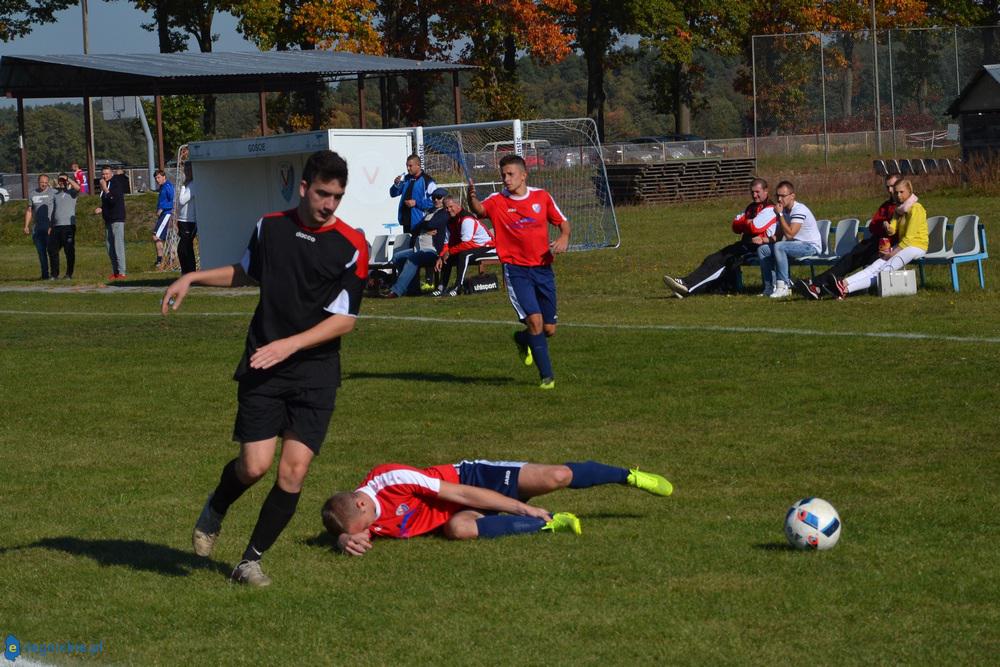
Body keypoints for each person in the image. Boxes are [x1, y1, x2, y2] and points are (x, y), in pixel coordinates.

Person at [161, 150, 368, 587]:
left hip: (314, 371)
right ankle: (216, 507)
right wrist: (191, 278)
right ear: (304, 188)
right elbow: (246, 273)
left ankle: (249, 561)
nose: (329, 204)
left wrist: (290, 345)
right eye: (323, 194)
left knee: (293, 471)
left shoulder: (352, 245)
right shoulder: (270, 227)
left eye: (337, 197)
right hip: (263, 364)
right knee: (254, 467)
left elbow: (345, 319)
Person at [323, 459, 673, 556]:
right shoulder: (357, 516)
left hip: (474, 481)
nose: (369, 535)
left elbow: (464, 495)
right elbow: (345, 531)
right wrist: (342, 542)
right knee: (457, 529)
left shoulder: (390, 479)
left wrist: (522, 507)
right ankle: (552, 523)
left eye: (362, 529)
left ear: (360, 502)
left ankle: (627, 476)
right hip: (462, 512)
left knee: (557, 476)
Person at [467, 155, 571, 390]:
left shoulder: (541, 197)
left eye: (511, 174)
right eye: (503, 175)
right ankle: (547, 377)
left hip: (543, 269)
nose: (506, 179)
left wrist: (564, 237)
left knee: (548, 329)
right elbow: (479, 209)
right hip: (516, 271)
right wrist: (470, 197)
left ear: (524, 175)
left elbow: (562, 222)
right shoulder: (497, 200)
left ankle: (523, 339)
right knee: (535, 321)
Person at [662, 178, 778, 298]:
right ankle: (685, 284)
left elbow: (755, 227)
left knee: (723, 263)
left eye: (757, 192)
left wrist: (747, 223)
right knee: (712, 259)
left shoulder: (770, 209)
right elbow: (735, 226)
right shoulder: (751, 208)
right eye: (752, 192)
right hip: (745, 245)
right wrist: (747, 222)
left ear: (766, 191)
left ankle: (688, 287)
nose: (754, 195)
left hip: (758, 248)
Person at [793, 174, 899, 300]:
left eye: (893, 186)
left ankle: (818, 285)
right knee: (848, 260)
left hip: (892, 247)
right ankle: (817, 285)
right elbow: (873, 225)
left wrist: (886, 228)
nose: (891, 190)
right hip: (876, 242)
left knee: (871, 262)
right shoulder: (886, 206)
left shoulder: (905, 207)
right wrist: (883, 225)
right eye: (888, 187)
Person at [834, 178, 928, 299]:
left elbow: (909, 238)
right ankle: (843, 283)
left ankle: (847, 289)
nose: (898, 195)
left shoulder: (916, 209)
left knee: (885, 270)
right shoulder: (899, 210)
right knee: (874, 266)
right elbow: (893, 230)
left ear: (910, 191)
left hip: (917, 246)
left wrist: (892, 253)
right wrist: (888, 228)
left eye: (901, 192)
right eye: (896, 192)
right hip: (904, 245)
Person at [757, 180, 822, 299]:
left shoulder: (799, 210)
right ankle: (769, 286)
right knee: (763, 250)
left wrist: (780, 215)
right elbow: (778, 236)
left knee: (780, 246)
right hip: (794, 246)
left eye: (783, 196)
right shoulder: (783, 211)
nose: (780, 199)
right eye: (778, 196)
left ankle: (784, 286)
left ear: (792, 196)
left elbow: (790, 234)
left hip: (810, 246)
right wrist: (763, 240)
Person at [386, 187, 449, 299]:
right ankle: (412, 289)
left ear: (445, 199)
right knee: (398, 257)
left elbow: (429, 224)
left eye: (439, 197)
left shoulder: (445, 212)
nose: (436, 200)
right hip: (419, 248)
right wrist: (426, 226)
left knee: (413, 258)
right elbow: (415, 228)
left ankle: (396, 291)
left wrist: (425, 225)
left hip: (433, 250)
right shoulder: (430, 211)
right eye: (434, 198)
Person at [433, 195, 496, 297]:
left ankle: (458, 286)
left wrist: (450, 252)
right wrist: (441, 256)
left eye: (451, 206)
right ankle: (441, 287)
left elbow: (466, 244)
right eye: (446, 208)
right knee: (447, 257)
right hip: (472, 247)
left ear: (458, 205)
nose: (448, 210)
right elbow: (447, 243)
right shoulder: (450, 221)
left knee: (464, 254)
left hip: (488, 247)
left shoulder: (466, 219)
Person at [94, 165, 129, 280]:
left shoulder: (115, 183)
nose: (105, 176)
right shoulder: (106, 183)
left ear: (111, 173)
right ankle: (115, 271)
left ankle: (122, 272)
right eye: (103, 174)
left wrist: (105, 189)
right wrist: (102, 208)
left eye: (107, 174)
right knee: (110, 246)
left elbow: (114, 200)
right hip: (108, 219)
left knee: (118, 245)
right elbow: (107, 201)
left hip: (117, 218)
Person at [389, 154, 436, 234]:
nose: (408, 168)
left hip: (420, 222)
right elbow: (393, 194)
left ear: (418, 165)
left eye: (410, 166)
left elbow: (435, 202)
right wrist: (396, 185)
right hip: (406, 221)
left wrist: (416, 203)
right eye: (407, 166)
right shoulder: (406, 179)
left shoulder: (427, 181)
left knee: (419, 246)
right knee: (408, 246)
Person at [48, 173, 81, 280]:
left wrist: (68, 179)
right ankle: (54, 274)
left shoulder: (72, 193)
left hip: (68, 226)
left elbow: (78, 187)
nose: (61, 182)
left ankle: (69, 274)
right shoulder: (55, 194)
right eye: (60, 180)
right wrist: (50, 225)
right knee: (52, 250)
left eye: (63, 180)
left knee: (69, 250)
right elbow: (53, 211)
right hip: (56, 227)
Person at [23, 174, 54, 280]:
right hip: (37, 229)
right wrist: (26, 225)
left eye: (46, 182)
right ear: (38, 182)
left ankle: (54, 274)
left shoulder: (53, 193)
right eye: (42, 182)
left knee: (51, 251)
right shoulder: (32, 194)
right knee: (41, 253)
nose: (44, 184)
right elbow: (29, 210)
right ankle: (45, 274)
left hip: (49, 228)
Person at [176, 163, 198, 274]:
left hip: (190, 221)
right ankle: (187, 273)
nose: (187, 173)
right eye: (186, 170)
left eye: (189, 170)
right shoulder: (188, 184)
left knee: (183, 248)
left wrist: (183, 187)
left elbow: (182, 200)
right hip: (182, 220)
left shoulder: (192, 185)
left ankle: (189, 272)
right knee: (185, 249)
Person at [152, 169, 174, 269]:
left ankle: (160, 260)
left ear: (164, 177)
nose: (157, 180)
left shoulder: (168, 186)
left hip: (167, 214)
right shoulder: (162, 187)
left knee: (156, 236)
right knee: (167, 237)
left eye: (159, 177)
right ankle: (171, 259)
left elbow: (173, 201)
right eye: (156, 178)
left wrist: (162, 208)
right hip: (163, 214)